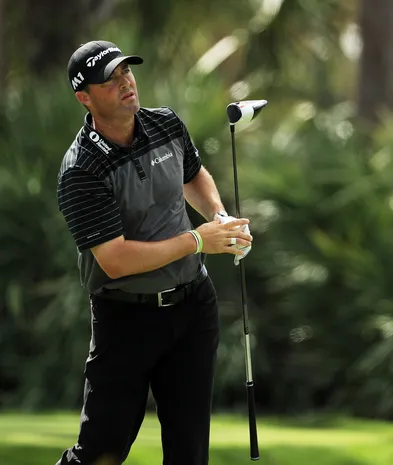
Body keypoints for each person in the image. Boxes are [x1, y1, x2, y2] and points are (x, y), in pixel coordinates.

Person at [55, 40, 253, 465]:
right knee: (102, 450)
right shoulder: (81, 170)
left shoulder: (165, 124)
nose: (125, 82)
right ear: (84, 98)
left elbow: (193, 174)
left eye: (126, 71)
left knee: (189, 449)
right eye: (110, 80)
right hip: (126, 318)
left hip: (193, 308)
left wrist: (219, 217)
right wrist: (198, 240)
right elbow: (115, 260)